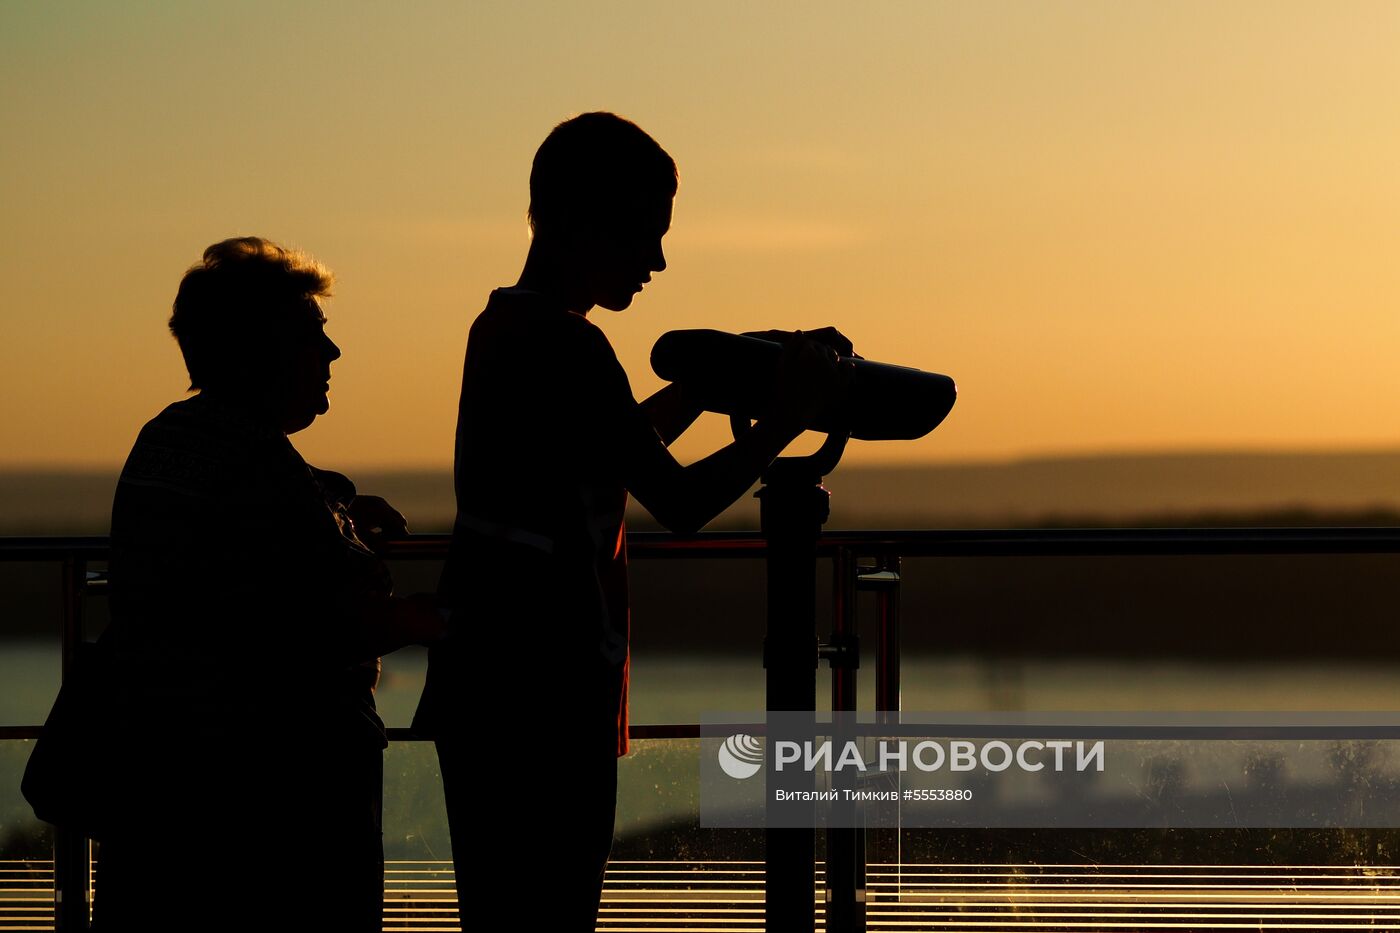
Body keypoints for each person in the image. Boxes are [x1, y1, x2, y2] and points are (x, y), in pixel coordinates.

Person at [413, 112, 850, 930]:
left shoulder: (509, 328)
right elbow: (679, 502)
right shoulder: (570, 347)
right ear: (582, 221)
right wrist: (786, 418)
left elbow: (616, 446)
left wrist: (723, 376)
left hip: (489, 685)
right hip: (542, 698)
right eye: (644, 233)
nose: (656, 260)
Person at [94, 237, 444, 932]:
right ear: (260, 349)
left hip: (158, 781)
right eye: (313, 334)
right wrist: (432, 619)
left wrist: (338, 508)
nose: (333, 354)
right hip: (279, 802)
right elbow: (321, 622)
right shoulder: (260, 465)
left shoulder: (168, 437)